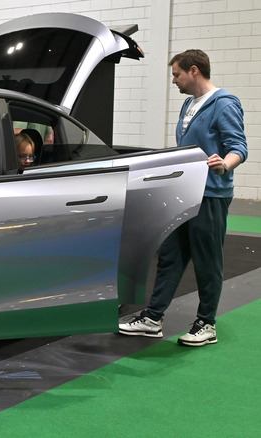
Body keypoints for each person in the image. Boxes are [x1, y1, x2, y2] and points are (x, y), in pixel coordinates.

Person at [118, 49, 248, 346]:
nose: (174, 80)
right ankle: (152, 318)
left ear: (193, 71)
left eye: (176, 74)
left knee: (207, 260)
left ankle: (207, 324)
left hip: (211, 195)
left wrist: (225, 164)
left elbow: (239, 147)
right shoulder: (188, 105)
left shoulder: (224, 104)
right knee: (170, 255)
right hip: (184, 194)